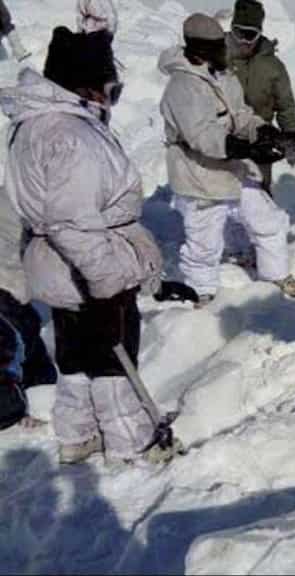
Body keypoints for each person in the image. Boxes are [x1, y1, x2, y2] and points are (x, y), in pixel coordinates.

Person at [0, 27, 175, 464]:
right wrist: (108, 284)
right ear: (84, 86)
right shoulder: (71, 137)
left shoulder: (35, 124)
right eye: (109, 89)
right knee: (112, 358)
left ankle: (78, 436)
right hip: (89, 263)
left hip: (56, 265)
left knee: (76, 356)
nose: (110, 100)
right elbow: (74, 225)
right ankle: (131, 443)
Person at [159, 13, 295, 307]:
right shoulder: (182, 86)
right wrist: (247, 149)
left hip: (233, 168)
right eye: (216, 46)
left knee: (269, 219)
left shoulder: (222, 75)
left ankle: (274, 273)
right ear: (199, 49)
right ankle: (202, 292)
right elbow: (201, 135)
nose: (223, 50)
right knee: (205, 242)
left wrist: (262, 131)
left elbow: (239, 114)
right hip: (200, 174)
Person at [228, 0, 295, 192]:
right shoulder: (218, 57)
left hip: (261, 143)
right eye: (238, 33)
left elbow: (286, 106)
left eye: (250, 35)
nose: (244, 41)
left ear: (259, 34)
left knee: (259, 198)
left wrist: (290, 136)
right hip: (224, 142)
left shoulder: (273, 67)